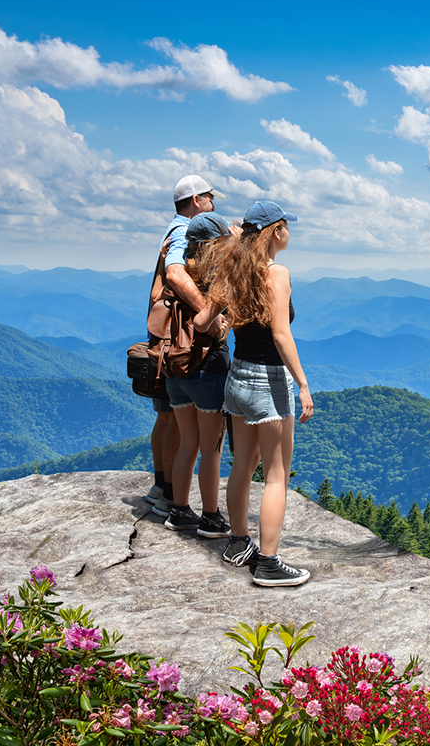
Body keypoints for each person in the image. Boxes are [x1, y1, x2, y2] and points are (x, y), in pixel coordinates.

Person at [203, 200, 314, 587]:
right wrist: (302, 383)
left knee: (242, 466)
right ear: (274, 231)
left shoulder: (233, 270)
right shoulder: (276, 273)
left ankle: (238, 542)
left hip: (237, 378)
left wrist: (223, 320)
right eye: (286, 227)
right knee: (276, 476)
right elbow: (282, 334)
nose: (289, 234)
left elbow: (203, 321)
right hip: (269, 382)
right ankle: (268, 563)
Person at [149, 175, 225, 515]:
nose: (213, 203)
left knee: (169, 418)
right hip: (189, 346)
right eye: (209, 198)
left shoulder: (171, 230)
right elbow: (177, 275)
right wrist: (209, 315)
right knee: (192, 435)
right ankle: (175, 500)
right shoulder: (184, 232)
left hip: (166, 341)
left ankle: (164, 491)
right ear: (196, 200)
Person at [161, 213, 234, 537]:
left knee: (187, 445)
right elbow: (218, 325)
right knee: (211, 449)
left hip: (175, 367)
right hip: (208, 369)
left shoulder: (178, 271)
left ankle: (178, 511)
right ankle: (210, 517)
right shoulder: (216, 275)